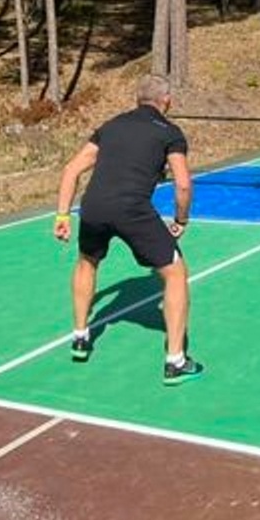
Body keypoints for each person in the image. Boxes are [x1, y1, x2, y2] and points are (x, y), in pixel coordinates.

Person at [53, 73, 202, 386]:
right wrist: (181, 220)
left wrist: (63, 216)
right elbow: (184, 185)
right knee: (175, 274)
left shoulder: (111, 126)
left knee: (86, 262)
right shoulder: (171, 133)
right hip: (132, 210)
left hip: (93, 206)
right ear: (167, 102)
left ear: (137, 99)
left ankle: (80, 337)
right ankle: (175, 360)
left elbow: (71, 170)